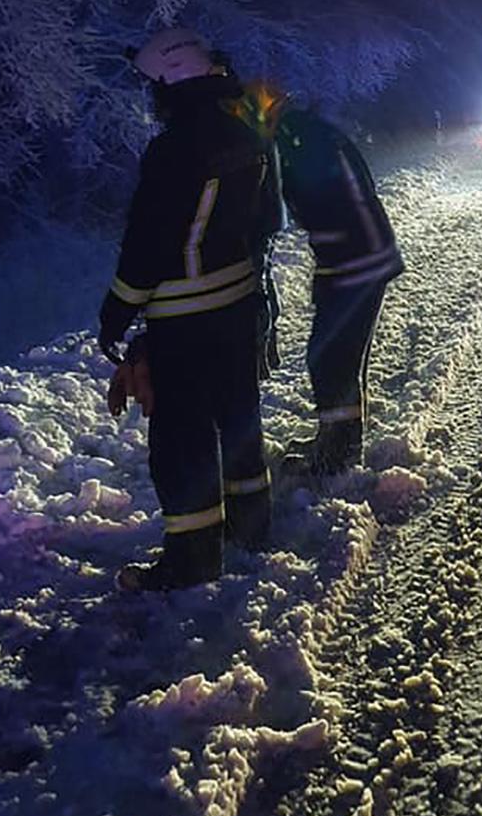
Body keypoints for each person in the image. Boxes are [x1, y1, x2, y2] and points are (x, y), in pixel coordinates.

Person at [98, 29, 275, 592]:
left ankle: (194, 559)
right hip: (238, 304)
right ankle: (251, 523)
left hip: (184, 318)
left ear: (170, 83)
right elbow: (266, 220)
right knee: (239, 415)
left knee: (182, 438)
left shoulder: (172, 150)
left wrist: (116, 311)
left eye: (153, 87)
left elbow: (149, 242)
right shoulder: (246, 134)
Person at [239, 81, 403, 474]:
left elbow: (308, 202)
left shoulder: (298, 141)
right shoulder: (305, 133)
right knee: (338, 356)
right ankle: (338, 439)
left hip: (355, 261)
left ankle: (338, 456)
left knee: (330, 358)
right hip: (357, 257)